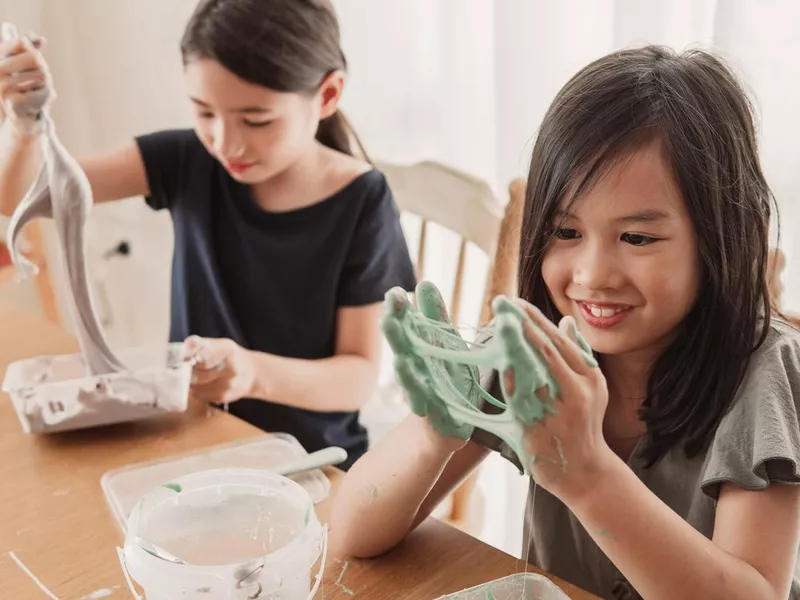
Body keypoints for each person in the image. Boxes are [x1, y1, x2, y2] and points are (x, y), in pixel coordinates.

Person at [329, 46, 800, 598]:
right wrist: (435, 432)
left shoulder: (766, 374)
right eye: (566, 232)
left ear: (719, 240)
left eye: (638, 238)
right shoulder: (529, 352)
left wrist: (588, 473)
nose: (593, 275)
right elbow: (352, 535)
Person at [0, 0, 416, 470]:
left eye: (257, 120)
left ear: (327, 95)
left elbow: (357, 377)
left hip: (311, 462)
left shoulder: (362, 200)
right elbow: (20, 200)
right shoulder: (185, 159)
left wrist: (253, 374)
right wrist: (23, 127)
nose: (225, 142)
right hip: (193, 447)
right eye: (204, 112)